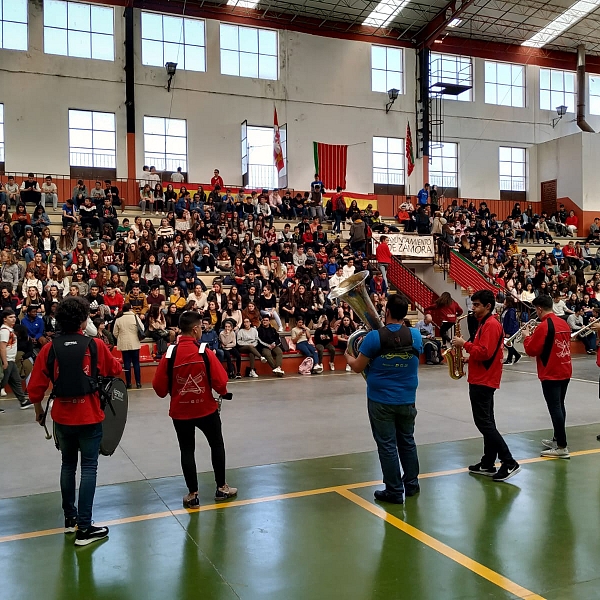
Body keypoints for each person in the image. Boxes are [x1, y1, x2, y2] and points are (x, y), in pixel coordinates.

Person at [29, 296, 122, 546]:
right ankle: (85, 528)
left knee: (68, 465)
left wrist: (39, 410)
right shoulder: (95, 345)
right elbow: (116, 370)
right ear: (84, 319)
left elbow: (35, 388)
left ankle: (70, 521)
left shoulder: (50, 348)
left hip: (62, 417)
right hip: (89, 415)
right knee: (89, 467)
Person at [152, 311, 237, 508]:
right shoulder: (203, 352)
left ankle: (192, 494)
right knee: (216, 445)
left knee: (186, 450)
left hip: (180, 413)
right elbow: (220, 380)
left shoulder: (170, 353)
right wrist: (222, 392)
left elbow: (159, 388)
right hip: (206, 409)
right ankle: (221, 488)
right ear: (196, 329)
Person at [345, 294, 422, 504]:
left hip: (381, 400)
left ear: (386, 312)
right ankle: (412, 485)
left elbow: (358, 367)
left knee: (387, 445)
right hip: (407, 398)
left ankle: (394, 491)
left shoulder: (373, 338)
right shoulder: (416, 335)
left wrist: (348, 356)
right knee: (407, 441)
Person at [452, 289, 521, 482]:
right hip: (482, 377)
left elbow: (484, 353)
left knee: (484, 423)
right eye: (472, 305)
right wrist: (469, 359)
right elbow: (483, 353)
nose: (472, 309)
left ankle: (509, 462)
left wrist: (463, 344)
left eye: (476, 305)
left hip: (483, 380)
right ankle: (488, 462)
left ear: (488, 306)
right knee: (488, 422)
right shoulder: (485, 323)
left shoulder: (490, 325)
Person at [523, 295, 572, 459]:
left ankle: (561, 446)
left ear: (539, 309)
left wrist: (526, 337)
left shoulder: (544, 326)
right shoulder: (563, 323)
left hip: (551, 372)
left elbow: (531, 350)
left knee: (555, 408)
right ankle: (558, 438)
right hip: (565, 369)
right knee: (560, 405)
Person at [0, 308, 32, 411]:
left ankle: (22, 401)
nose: (13, 319)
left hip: (11, 360)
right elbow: (2, 347)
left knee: (16, 381)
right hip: (7, 360)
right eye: (10, 317)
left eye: (14, 317)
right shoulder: (4, 331)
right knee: (2, 382)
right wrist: (4, 362)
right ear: (5, 319)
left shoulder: (10, 330)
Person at [113, 303, 142, 389]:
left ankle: (128, 383)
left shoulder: (118, 319)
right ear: (130, 308)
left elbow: (115, 333)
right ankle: (138, 383)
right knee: (136, 363)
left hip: (124, 344)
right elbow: (142, 328)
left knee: (127, 364)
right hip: (134, 343)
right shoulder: (135, 317)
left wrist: (121, 337)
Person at [502, 297, 522, 365]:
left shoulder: (511, 311)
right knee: (508, 344)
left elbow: (511, 321)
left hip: (511, 330)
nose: (504, 301)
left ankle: (509, 359)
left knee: (509, 344)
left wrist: (508, 332)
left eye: (505, 300)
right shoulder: (506, 309)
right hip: (505, 329)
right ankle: (516, 355)